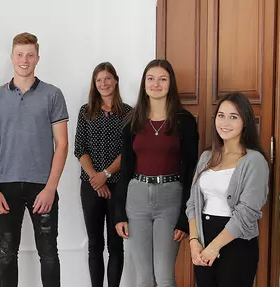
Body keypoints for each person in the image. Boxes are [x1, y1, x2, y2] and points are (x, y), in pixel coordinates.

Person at [0, 32, 69, 287]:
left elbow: (62, 144)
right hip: (5, 186)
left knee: (49, 254)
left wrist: (51, 188)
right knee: (7, 253)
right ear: (11, 57)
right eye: (20, 54)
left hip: (42, 186)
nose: (24, 59)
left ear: (38, 58)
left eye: (30, 55)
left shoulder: (53, 94)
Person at [114, 59, 199, 287]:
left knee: (164, 276)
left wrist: (184, 216)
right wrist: (119, 212)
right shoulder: (132, 121)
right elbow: (126, 170)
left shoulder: (184, 121)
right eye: (150, 79)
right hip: (137, 197)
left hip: (170, 198)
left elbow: (192, 169)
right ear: (144, 84)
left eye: (163, 79)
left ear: (171, 83)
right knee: (142, 278)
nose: (156, 84)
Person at [185, 92, 269, 287]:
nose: (225, 122)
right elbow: (192, 203)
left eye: (234, 117)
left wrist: (214, 247)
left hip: (236, 242)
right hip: (204, 238)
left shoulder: (254, 161)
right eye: (221, 115)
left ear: (245, 122)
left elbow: (247, 212)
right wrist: (195, 241)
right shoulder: (206, 157)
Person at [74, 62, 131, 287]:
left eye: (107, 78)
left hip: (118, 186)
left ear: (115, 80)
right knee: (95, 244)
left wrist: (106, 175)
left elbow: (128, 152)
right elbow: (80, 149)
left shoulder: (128, 113)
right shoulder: (86, 112)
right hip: (90, 186)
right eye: (99, 80)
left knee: (116, 245)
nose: (103, 83)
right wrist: (97, 180)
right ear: (94, 84)